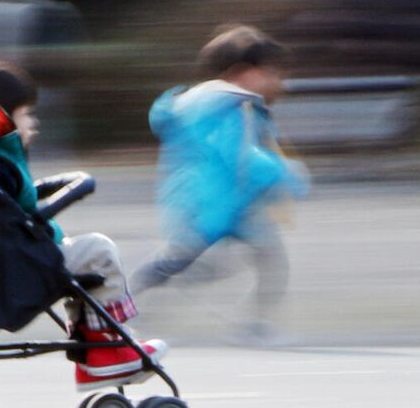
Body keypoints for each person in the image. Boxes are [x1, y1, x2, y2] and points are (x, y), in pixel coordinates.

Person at [0, 58, 167, 387]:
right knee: (99, 251)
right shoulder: (1, 166)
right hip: (16, 267)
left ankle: (95, 358)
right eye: (26, 114)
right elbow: (21, 215)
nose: (33, 123)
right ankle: (109, 350)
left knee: (82, 264)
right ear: (0, 118)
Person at [132, 25, 309, 338]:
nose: (277, 82)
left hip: (220, 202)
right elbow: (240, 157)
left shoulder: (203, 103)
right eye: (269, 72)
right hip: (211, 205)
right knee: (182, 264)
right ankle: (122, 306)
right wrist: (287, 175)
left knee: (264, 257)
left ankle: (252, 325)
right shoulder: (233, 105)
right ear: (241, 72)